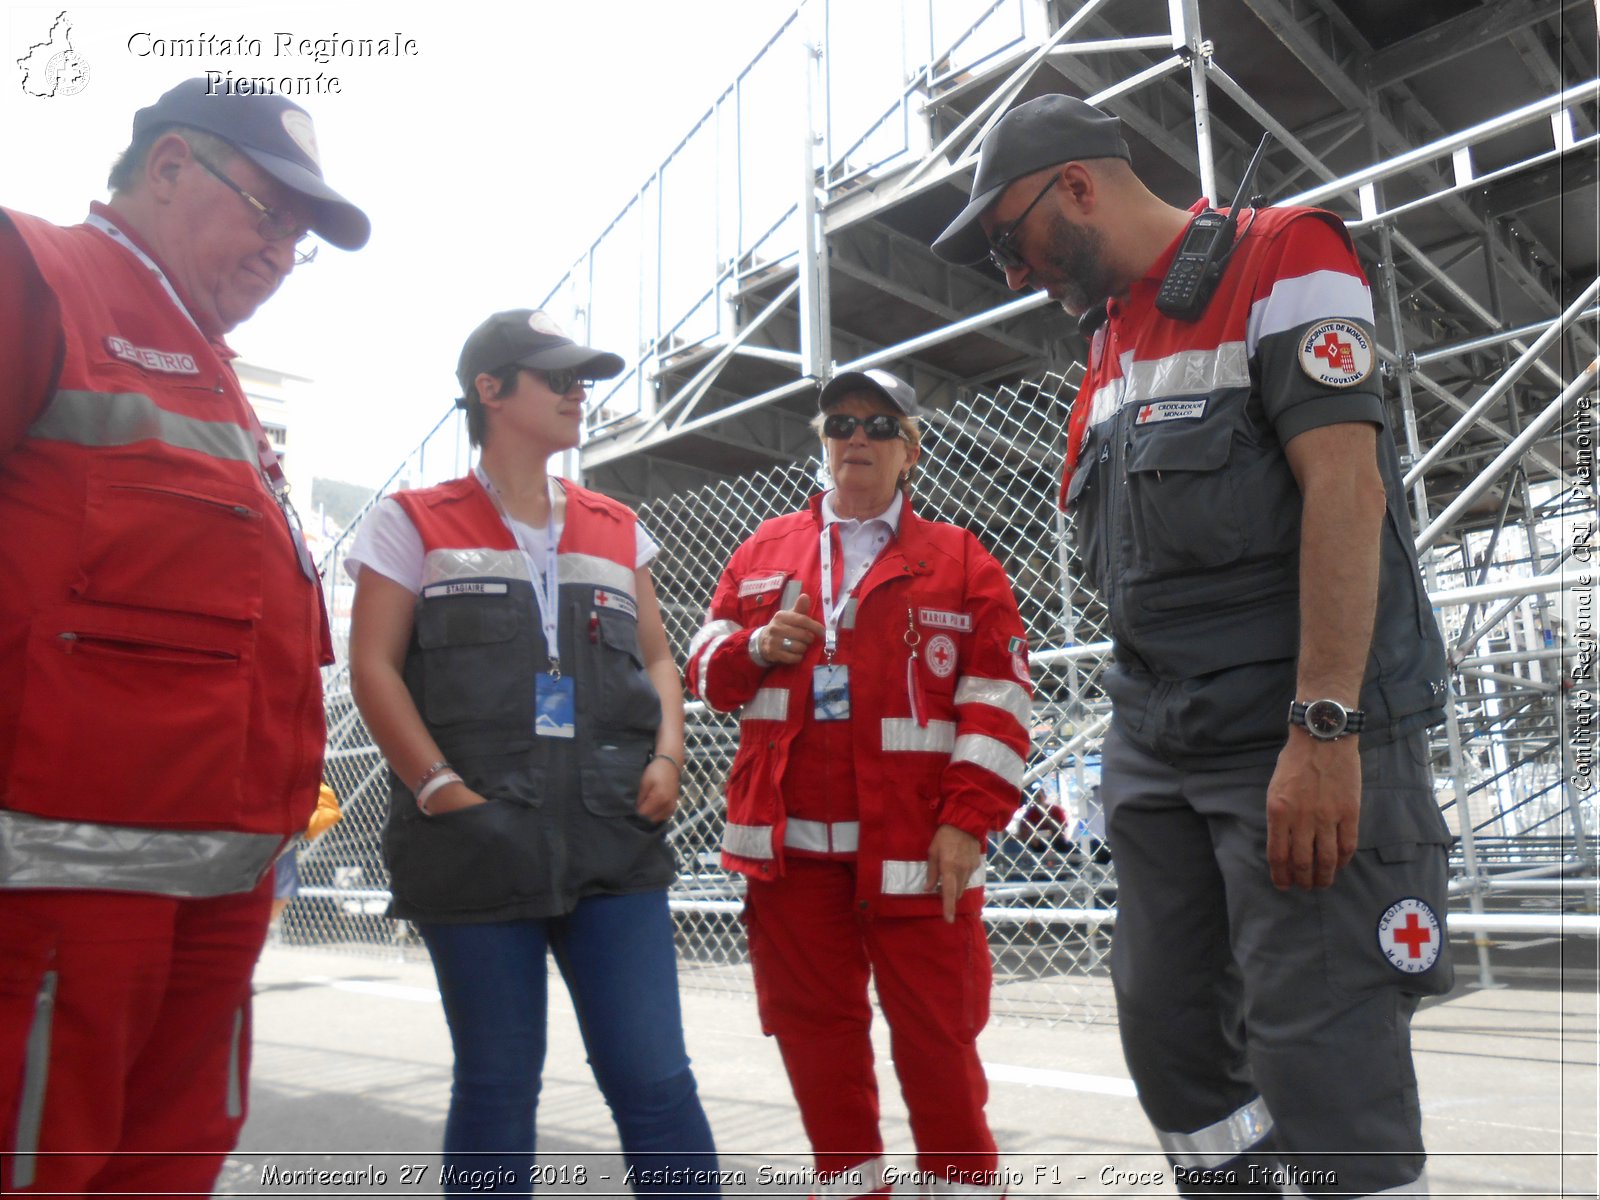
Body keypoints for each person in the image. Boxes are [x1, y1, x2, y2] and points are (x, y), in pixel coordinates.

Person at [932, 95, 1454, 1197]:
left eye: (1007, 236)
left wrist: (1323, 725)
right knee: (1168, 1039)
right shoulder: (1109, 345)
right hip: (1161, 739)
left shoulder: (1283, 258)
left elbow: (1345, 492)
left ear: (1075, 184)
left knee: (1320, 1055)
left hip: (1289, 730)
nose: (1015, 271)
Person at [0, 79, 367, 1195]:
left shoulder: (216, 375)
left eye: (297, 237)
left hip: (216, 894)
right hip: (54, 903)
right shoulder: (38, 275)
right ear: (166, 168)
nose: (278, 248)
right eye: (267, 209)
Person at [345, 310, 720, 1196]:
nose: (577, 393)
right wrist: (441, 793)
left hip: (614, 836)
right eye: (557, 378)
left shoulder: (619, 525)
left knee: (654, 1079)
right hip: (476, 842)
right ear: (490, 390)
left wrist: (668, 757)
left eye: (582, 379)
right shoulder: (410, 522)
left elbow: (661, 657)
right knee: (498, 1085)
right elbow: (373, 668)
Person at [686, 369, 1033, 1198]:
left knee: (938, 1046)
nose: (857, 439)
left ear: (910, 451)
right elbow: (704, 671)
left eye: (879, 426)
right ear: (822, 442)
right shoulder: (763, 552)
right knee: (817, 1043)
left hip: (918, 854)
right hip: (790, 856)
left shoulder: (961, 561)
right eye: (840, 423)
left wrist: (965, 823)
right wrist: (755, 647)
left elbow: (1000, 700)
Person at [270, 782, 343, 927]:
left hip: (277, 833)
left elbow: (329, 810)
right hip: (270, 832)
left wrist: (300, 826)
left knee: (277, 895)